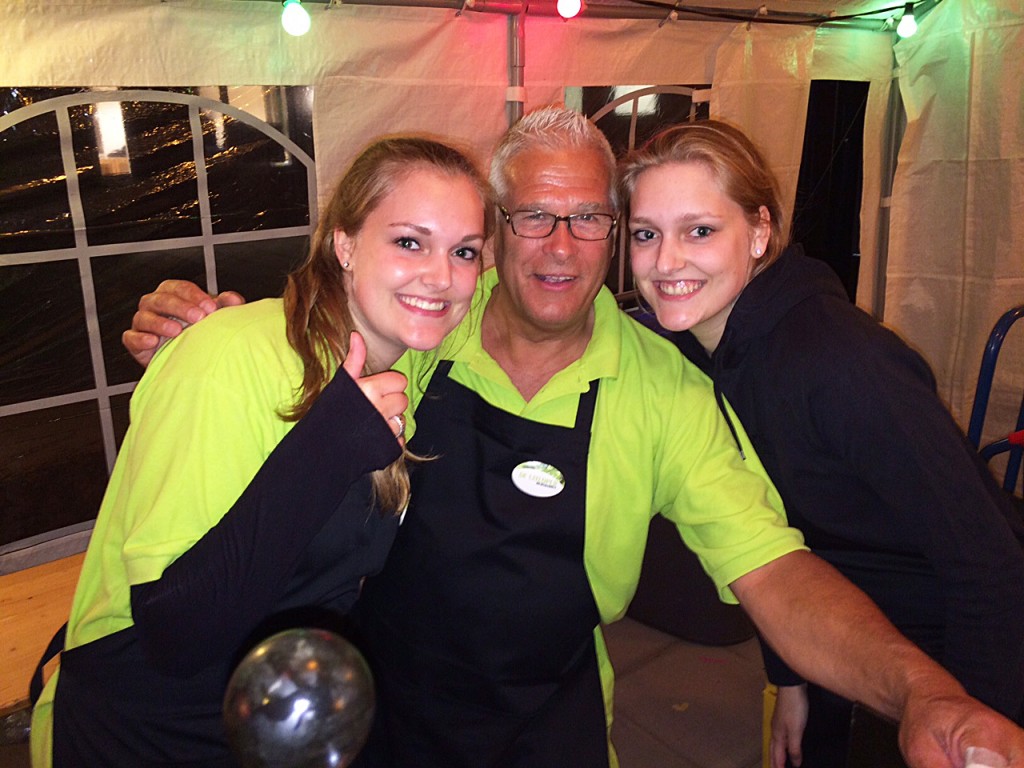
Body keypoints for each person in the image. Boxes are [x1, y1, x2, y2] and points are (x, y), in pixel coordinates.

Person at [122, 106, 1024, 768]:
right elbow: (322, 319)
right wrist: (203, 324)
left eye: (589, 217)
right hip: (379, 712)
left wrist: (923, 689)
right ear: (494, 230)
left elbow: (775, 572)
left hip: (548, 727)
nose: (561, 246)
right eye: (533, 216)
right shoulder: (431, 327)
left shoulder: (663, 388)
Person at [30, 136, 492, 767]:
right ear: (345, 244)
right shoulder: (233, 357)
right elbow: (174, 633)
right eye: (409, 242)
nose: (441, 277)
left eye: (464, 251)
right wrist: (328, 446)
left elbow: (541, 290)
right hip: (146, 726)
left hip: (277, 717)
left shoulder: (416, 345)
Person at [620, 118, 1024, 768]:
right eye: (646, 234)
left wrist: (972, 723)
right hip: (845, 638)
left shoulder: (840, 362)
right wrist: (793, 676)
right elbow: (774, 533)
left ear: (759, 231)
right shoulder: (694, 353)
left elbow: (990, 564)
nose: (666, 262)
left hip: (958, 651)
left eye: (700, 230)